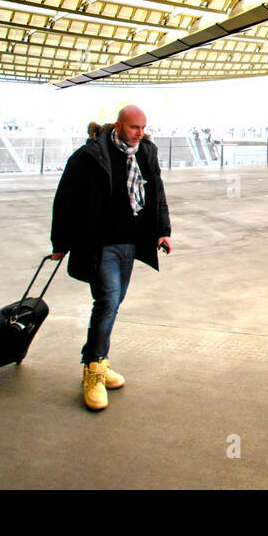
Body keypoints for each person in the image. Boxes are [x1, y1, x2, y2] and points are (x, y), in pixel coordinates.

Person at [50, 106, 171, 411]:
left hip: (131, 242)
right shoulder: (90, 155)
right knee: (107, 300)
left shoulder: (145, 151)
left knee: (114, 302)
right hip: (99, 243)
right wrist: (61, 242)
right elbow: (65, 199)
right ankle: (92, 369)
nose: (140, 133)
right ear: (118, 125)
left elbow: (156, 191)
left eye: (143, 127)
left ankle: (99, 359)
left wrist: (163, 230)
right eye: (134, 128)